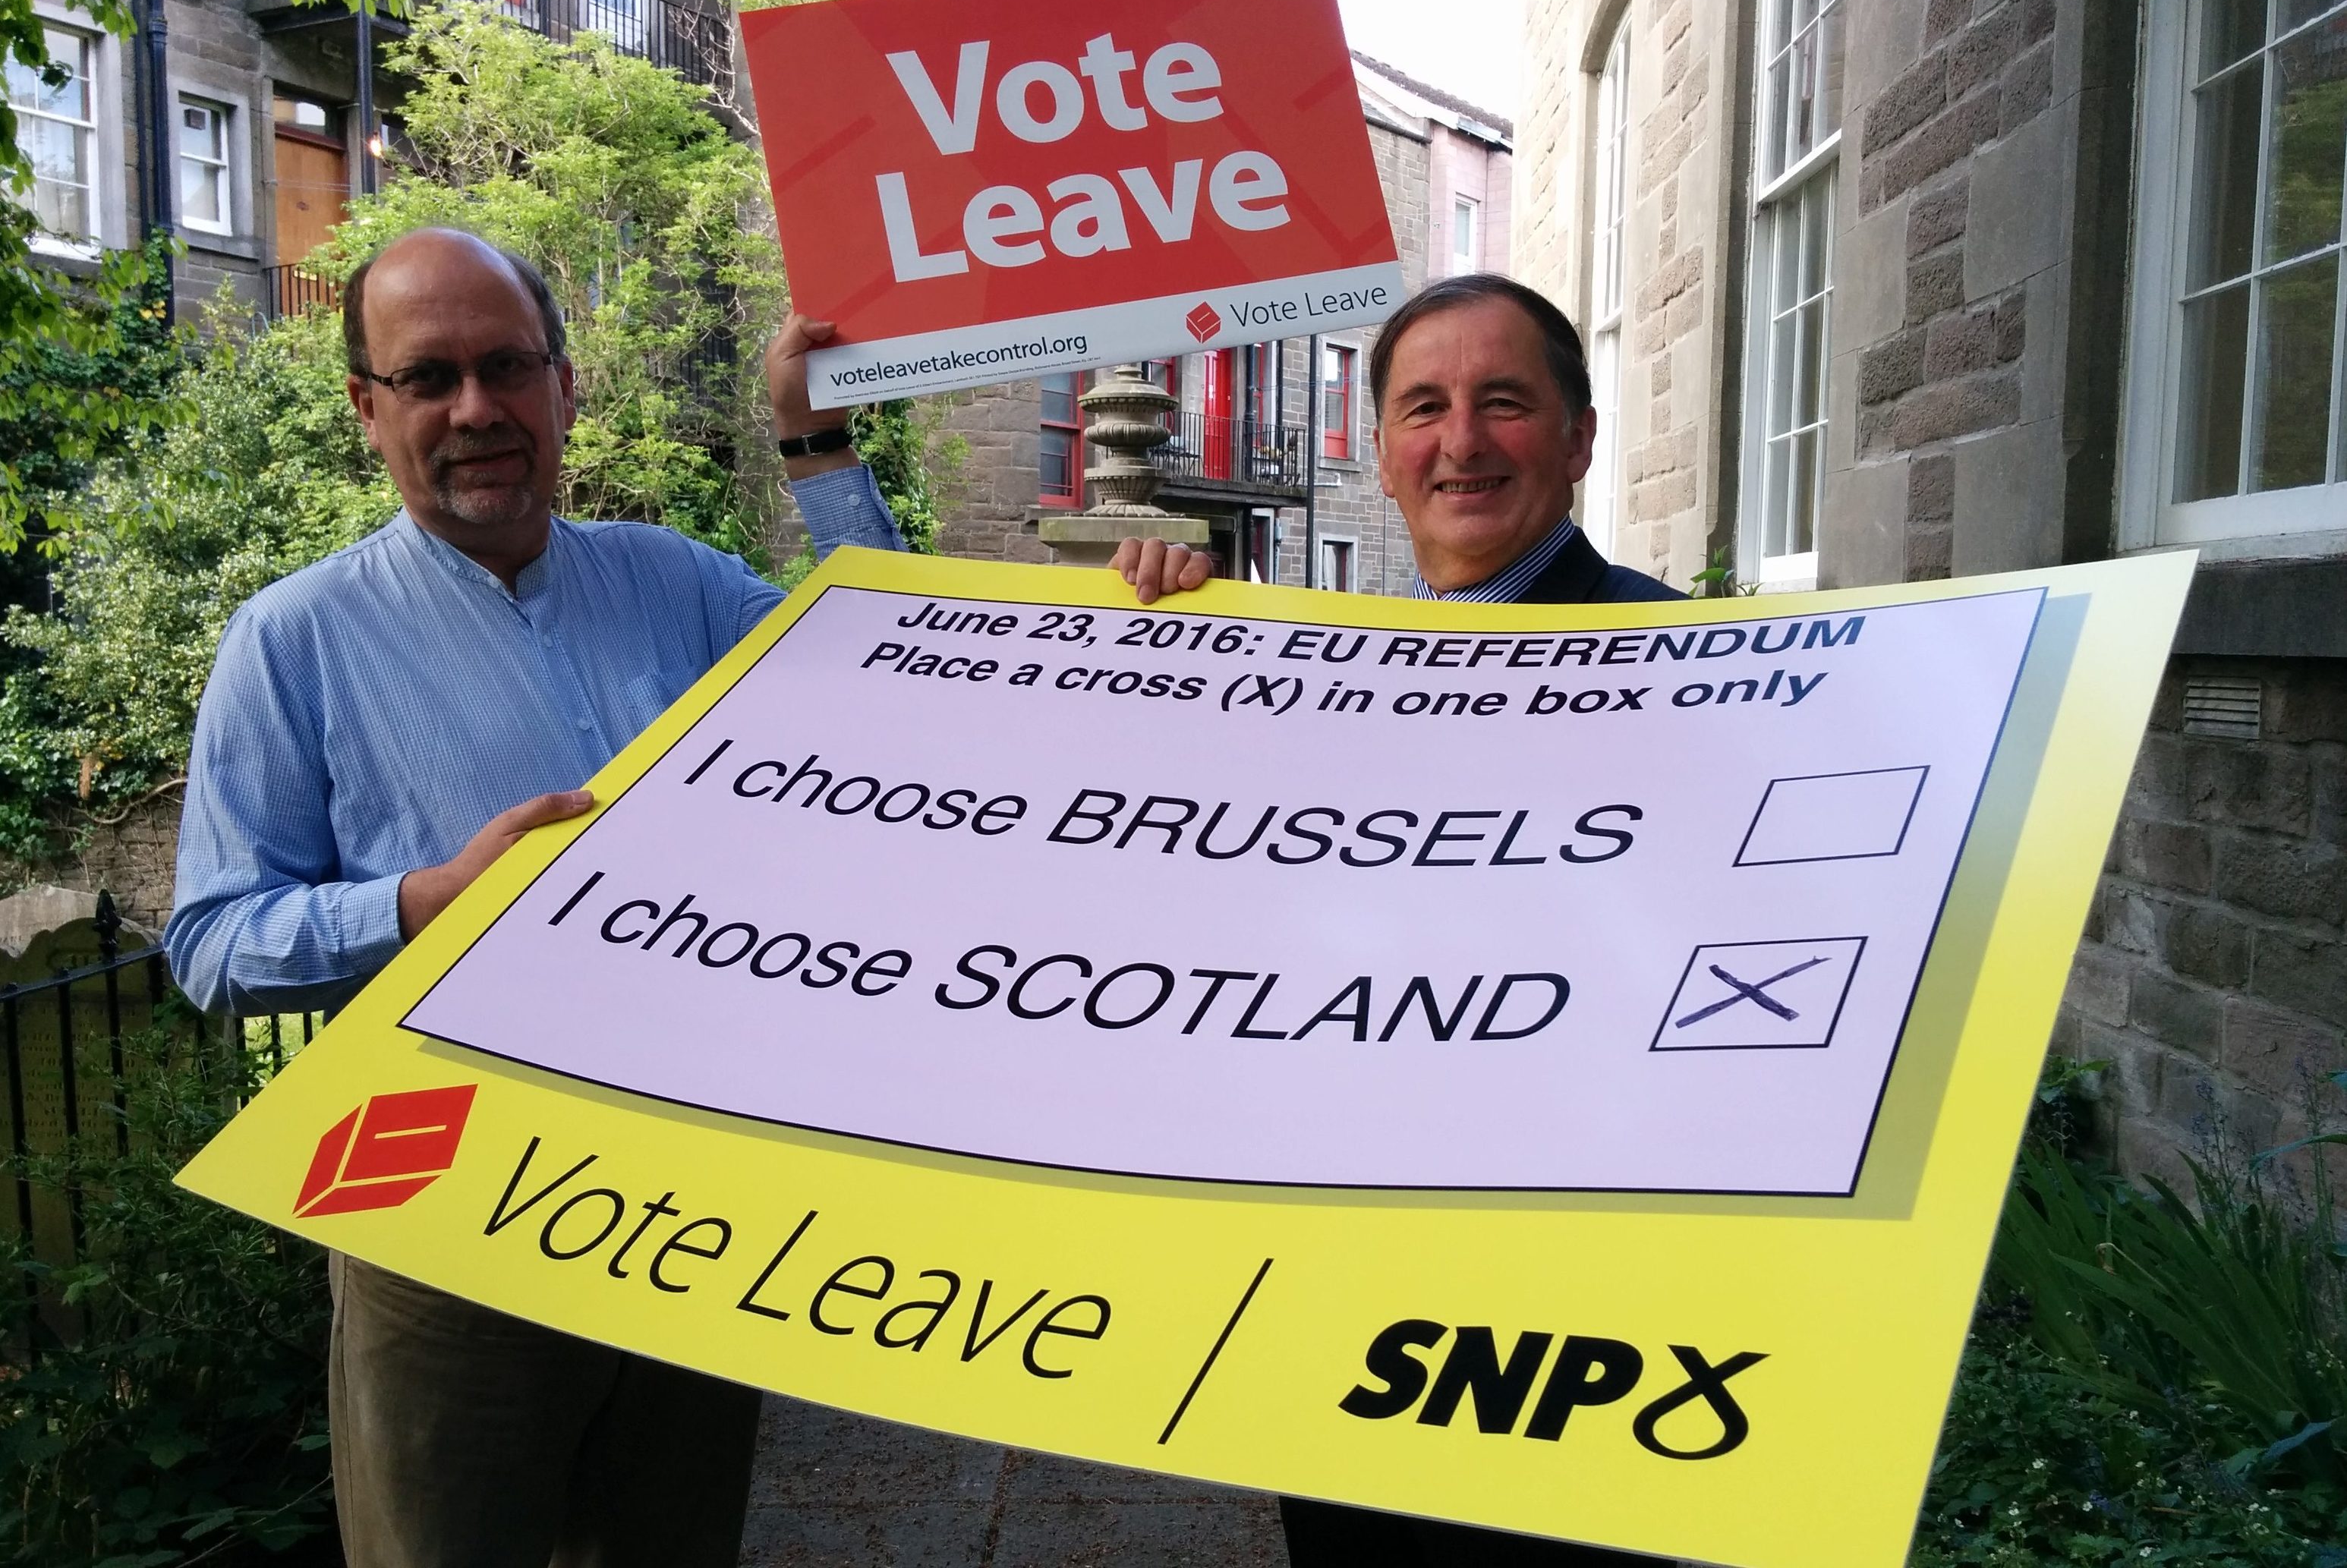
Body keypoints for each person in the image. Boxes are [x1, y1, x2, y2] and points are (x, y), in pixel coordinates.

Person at [165, 225, 1203, 1568]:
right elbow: (210, 942)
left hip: (683, 1203)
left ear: (564, 384)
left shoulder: (676, 582)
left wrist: (815, 447)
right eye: (428, 379)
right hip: (437, 1209)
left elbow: (895, 683)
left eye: (504, 367)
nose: (475, 409)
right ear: (370, 410)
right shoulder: (292, 639)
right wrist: (426, 902)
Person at [1117, 272, 1681, 1567]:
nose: (1463, 442)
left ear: (1581, 436)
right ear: (1380, 450)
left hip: (1559, 1307)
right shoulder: (1320, 667)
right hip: (1335, 1291)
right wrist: (1158, 657)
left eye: (1505, 404)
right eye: (1424, 407)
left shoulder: (1681, 664)